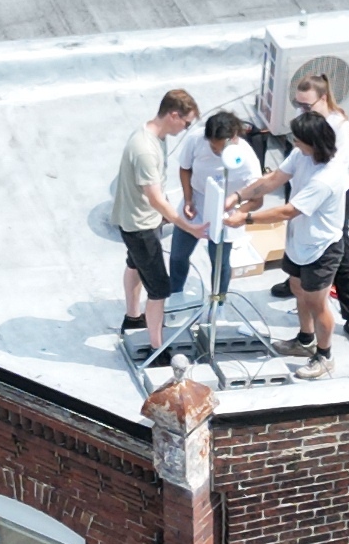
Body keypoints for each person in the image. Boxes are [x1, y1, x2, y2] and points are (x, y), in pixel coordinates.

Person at [232, 109, 349, 375]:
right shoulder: (301, 154)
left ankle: (324, 356)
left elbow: (288, 211)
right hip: (299, 241)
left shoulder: (327, 177)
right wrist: (238, 196)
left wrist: (246, 218)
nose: (293, 143)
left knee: (317, 303)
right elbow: (274, 179)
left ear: (313, 142)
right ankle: (305, 340)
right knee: (299, 291)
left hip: (320, 248)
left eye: (297, 140)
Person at [256, 66, 349, 349]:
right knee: (295, 234)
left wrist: (247, 217)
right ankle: (300, 281)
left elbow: (332, 171)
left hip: (328, 193)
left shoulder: (339, 127)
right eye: (298, 104)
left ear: (323, 97)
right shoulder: (307, 118)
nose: (301, 110)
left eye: (306, 104)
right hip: (302, 184)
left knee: (339, 250)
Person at [111, 88, 194, 366]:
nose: (186, 128)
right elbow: (155, 198)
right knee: (159, 288)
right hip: (141, 225)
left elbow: (158, 188)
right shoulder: (146, 149)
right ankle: (157, 348)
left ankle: (132, 316)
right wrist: (185, 224)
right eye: (186, 122)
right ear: (173, 115)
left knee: (134, 265)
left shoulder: (155, 137)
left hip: (136, 218)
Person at [168, 105, 260, 309]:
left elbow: (257, 198)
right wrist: (189, 198)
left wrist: (240, 210)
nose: (216, 151)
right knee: (178, 255)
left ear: (234, 138)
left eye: (220, 148)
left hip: (225, 212)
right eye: (213, 147)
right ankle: (174, 296)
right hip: (197, 202)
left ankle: (218, 304)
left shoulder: (247, 159)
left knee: (220, 263)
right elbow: (185, 169)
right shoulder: (196, 139)